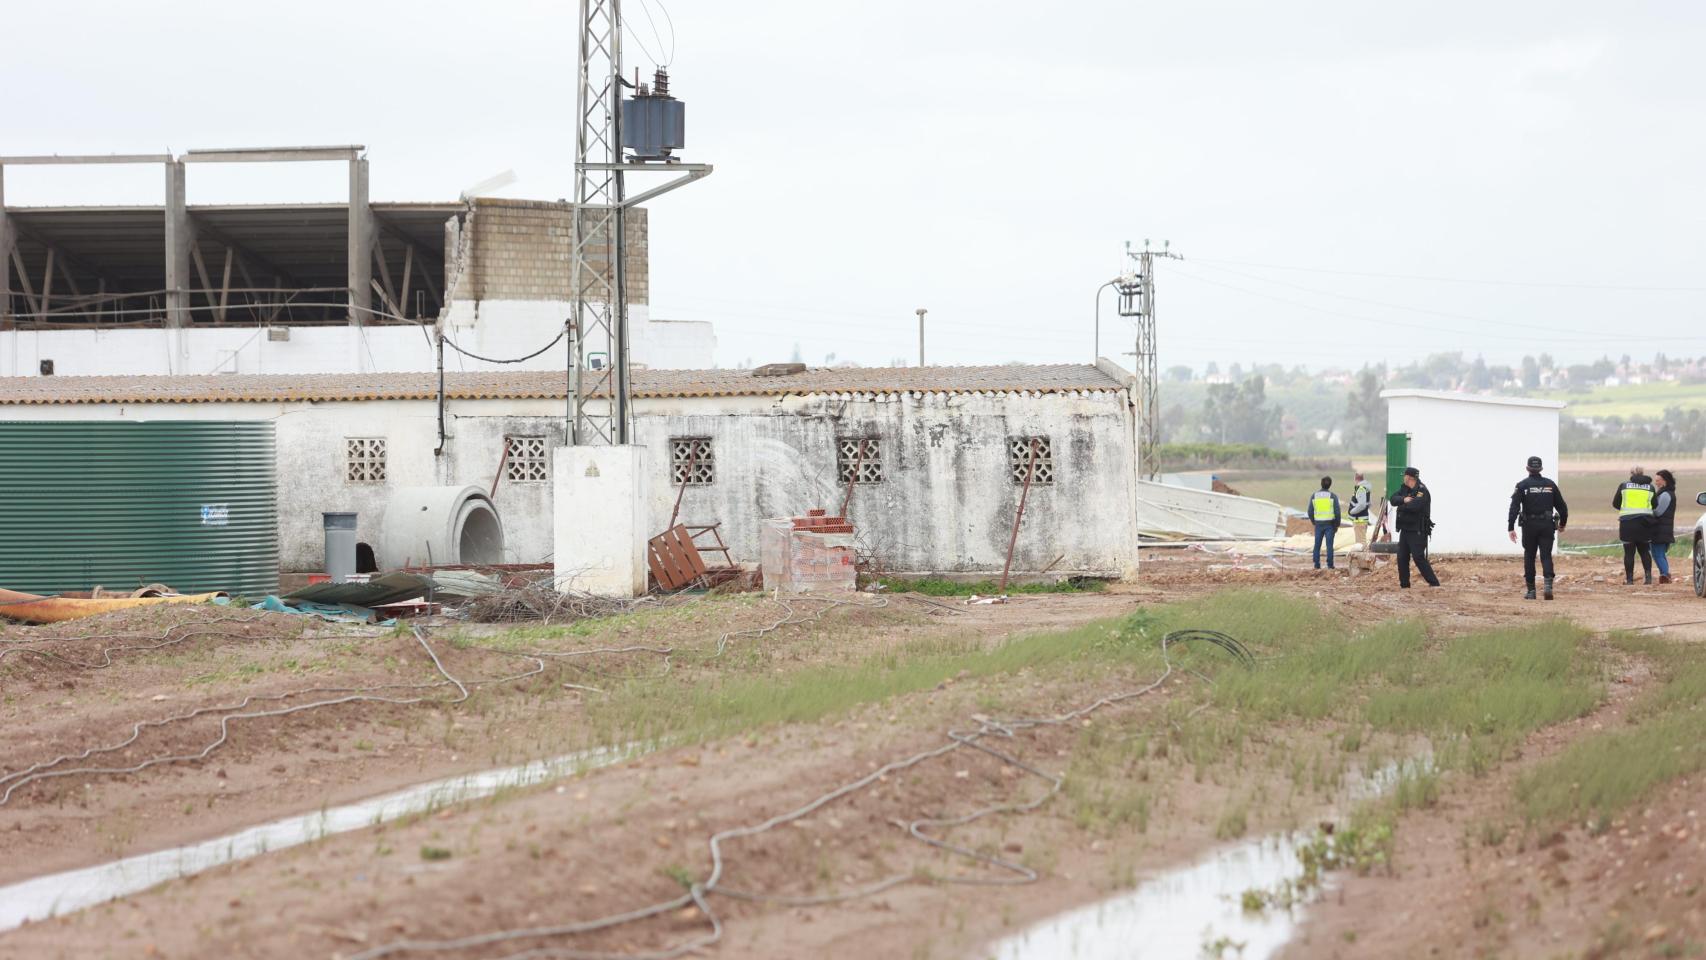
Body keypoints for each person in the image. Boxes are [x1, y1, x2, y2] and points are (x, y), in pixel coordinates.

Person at [1507, 455, 1568, 600]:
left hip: (1529, 526)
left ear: (1528, 468)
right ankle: (1548, 587)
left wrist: (1511, 527)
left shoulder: (1522, 485)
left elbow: (1514, 507)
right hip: (1547, 525)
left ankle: (1531, 591)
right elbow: (1562, 507)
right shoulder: (1550, 485)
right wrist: (1562, 524)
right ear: (1541, 469)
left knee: (1529, 556)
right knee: (1546, 556)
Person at [1392, 466, 1439, 588]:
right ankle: (1405, 585)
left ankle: (1434, 583)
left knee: (1418, 557)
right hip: (1405, 529)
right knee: (1402, 557)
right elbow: (1393, 499)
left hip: (1417, 530)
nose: (1403, 478)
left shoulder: (1421, 490)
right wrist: (1404, 499)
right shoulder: (1405, 490)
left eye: (1404, 476)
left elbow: (1415, 507)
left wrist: (1401, 504)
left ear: (1409, 477)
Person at [1612, 465, 1657, 585]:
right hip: (1645, 523)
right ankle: (1648, 578)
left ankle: (1630, 580)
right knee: (1644, 551)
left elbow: (1615, 503)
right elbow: (1655, 504)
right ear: (1643, 473)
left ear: (1631, 474)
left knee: (1629, 553)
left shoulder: (1624, 486)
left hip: (1627, 523)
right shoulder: (1650, 487)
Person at [1308, 476, 1342, 570]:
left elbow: (1310, 511)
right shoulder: (1332, 496)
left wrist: (1314, 521)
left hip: (1318, 524)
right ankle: (1330, 565)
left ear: (1321, 484)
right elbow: (1337, 512)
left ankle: (1316, 565)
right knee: (1329, 545)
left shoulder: (1314, 495)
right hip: (1330, 525)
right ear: (1330, 485)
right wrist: (1337, 525)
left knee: (1317, 544)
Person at [1653, 469, 1679, 585]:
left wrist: (1646, 511)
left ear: (1665, 481)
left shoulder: (1665, 494)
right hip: (1663, 528)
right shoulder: (1666, 493)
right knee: (1659, 554)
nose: (1656, 483)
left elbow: (1658, 512)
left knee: (1658, 554)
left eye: (1658, 480)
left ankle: (1665, 575)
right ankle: (1665, 575)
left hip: (1660, 529)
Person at [1347, 472, 1373, 545]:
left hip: (1359, 520)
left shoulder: (1361, 489)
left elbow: (1362, 505)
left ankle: (1363, 556)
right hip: (1362, 519)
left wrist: (1352, 511)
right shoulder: (1366, 488)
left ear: (1355, 478)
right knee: (1362, 541)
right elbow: (1369, 503)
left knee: (1360, 543)